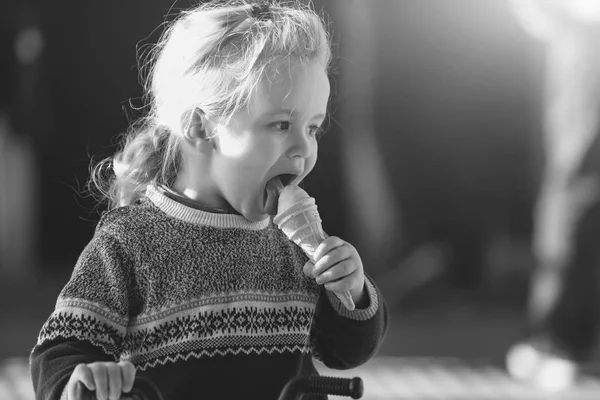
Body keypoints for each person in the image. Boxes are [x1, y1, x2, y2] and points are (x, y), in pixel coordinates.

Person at [29, 1, 389, 399]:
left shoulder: (297, 247)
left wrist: (351, 291)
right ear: (200, 126)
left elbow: (344, 351)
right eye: (281, 124)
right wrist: (83, 382)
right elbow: (59, 352)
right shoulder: (129, 243)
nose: (303, 147)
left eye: (313, 128)